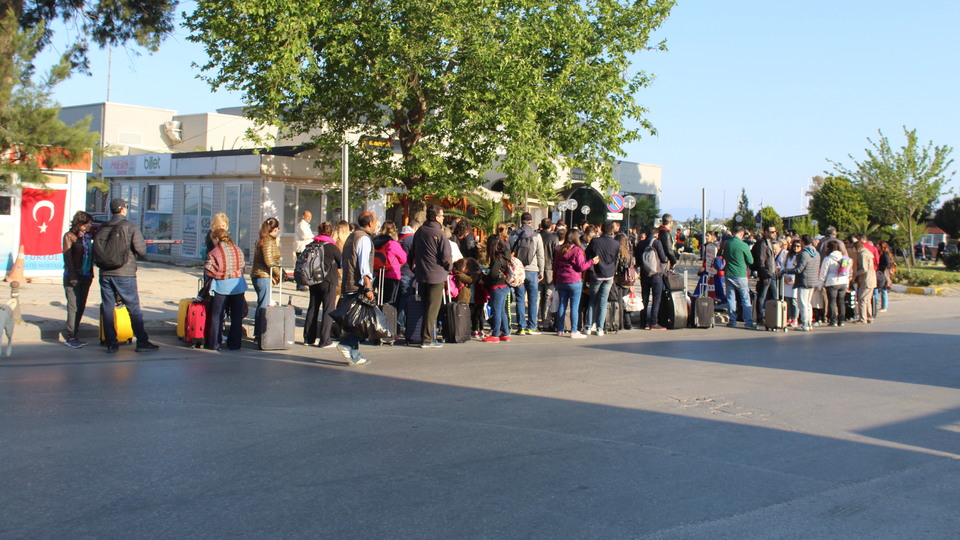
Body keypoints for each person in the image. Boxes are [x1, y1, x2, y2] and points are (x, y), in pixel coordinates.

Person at [97, 198, 158, 353]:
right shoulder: (130, 226)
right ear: (124, 209)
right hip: (124, 273)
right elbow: (141, 250)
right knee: (133, 308)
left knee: (107, 307)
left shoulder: (103, 227)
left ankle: (111, 342)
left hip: (105, 273)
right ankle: (142, 341)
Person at [337, 211, 380, 365]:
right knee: (363, 322)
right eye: (375, 221)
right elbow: (364, 266)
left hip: (348, 283)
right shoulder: (364, 239)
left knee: (356, 321)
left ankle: (354, 354)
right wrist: (368, 287)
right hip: (358, 285)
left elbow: (344, 262)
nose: (376, 223)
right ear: (369, 223)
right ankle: (348, 344)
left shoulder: (351, 236)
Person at [411, 205, 452, 348]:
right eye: (441, 216)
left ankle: (426, 336)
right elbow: (446, 257)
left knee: (425, 306)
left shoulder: (420, 231)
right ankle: (427, 339)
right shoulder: (440, 234)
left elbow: (412, 251)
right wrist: (449, 268)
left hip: (421, 273)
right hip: (436, 274)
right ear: (436, 217)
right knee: (432, 309)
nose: (443, 218)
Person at [204, 228, 248, 351]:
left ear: (217, 238)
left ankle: (215, 343)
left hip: (221, 287)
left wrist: (220, 275)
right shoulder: (237, 249)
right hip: (238, 287)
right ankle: (234, 344)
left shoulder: (214, 252)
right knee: (236, 317)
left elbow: (208, 269)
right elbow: (243, 267)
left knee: (217, 316)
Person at [553, 229, 598, 338]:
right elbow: (581, 267)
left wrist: (555, 280)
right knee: (574, 306)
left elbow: (555, 267)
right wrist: (592, 262)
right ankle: (574, 331)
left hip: (560, 280)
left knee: (562, 304)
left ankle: (560, 329)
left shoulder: (559, 249)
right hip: (574, 280)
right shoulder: (577, 250)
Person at [303, 222, 342, 348]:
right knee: (328, 309)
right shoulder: (331, 247)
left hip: (313, 280)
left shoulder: (311, 245)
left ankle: (309, 338)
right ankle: (324, 340)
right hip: (328, 281)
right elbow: (342, 263)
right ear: (331, 232)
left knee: (312, 308)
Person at [62, 211, 95, 348]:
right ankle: (70, 336)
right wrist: (73, 276)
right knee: (73, 306)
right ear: (79, 224)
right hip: (73, 276)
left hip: (86, 275)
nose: (89, 226)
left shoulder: (87, 237)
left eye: (89, 223)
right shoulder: (70, 236)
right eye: (87, 224)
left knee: (81, 306)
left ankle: (76, 333)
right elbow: (68, 258)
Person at [509, 212, 545, 335]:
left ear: (521, 222)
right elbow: (541, 255)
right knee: (532, 300)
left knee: (519, 299)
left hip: (519, 270)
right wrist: (542, 270)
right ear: (531, 222)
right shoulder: (536, 236)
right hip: (532, 271)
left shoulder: (513, 235)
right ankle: (532, 326)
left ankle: (521, 327)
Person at [584, 221, 619, 336]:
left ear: (601, 229)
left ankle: (588, 326)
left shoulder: (595, 241)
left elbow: (587, 253)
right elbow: (615, 259)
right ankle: (600, 328)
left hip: (596, 273)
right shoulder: (615, 243)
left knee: (592, 300)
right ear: (612, 231)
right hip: (609, 274)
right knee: (603, 301)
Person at [251, 217, 281, 343]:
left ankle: (258, 332)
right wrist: (279, 274)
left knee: (261, 304)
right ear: (274, 229)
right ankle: (260, 333)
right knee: (264, 306)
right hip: (263, 276)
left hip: (259, 275)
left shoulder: (262, 239)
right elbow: (269, 261)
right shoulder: (268, 241)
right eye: (278, 229)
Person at [720, 226, 757, 329]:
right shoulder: (743, 245)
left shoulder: (726, 243)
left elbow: (720, 255)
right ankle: (748, 322)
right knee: (745, 298)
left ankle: (732, 320)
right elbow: (751, 261)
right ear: (741, 234)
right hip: (740, 274)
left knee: (731, 298)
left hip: (728, 273)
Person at [784, 234, 821, 331]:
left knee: (802, 303)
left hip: (804, 280)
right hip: (813, 280)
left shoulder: (804, 253)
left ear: (803, 242)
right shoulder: (816, 253)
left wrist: (787, 271)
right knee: (808, 303)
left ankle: (805, 324)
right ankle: (809, 323)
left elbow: (799, 269)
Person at [635, 226, 668, 330]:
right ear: (656, 234)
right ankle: (653, 323)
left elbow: (638, 261)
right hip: (656, 275)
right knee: (656, 299)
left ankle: (643, 322)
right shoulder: (657, 243)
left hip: (644, 275)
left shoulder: (640, 243)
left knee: (645, 298)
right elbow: (663, 258)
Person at [483, 230, 512, 342]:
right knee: (501, 311)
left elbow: (493, 274)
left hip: (498, 287)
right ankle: (505, 333)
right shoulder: (505, 255)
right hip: (504, 286)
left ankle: (495, 334)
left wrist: (485, 277)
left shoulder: (497, 259)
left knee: (496, 310)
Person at [372, 221, 407, 306]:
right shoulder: (392, 243)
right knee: (390, 302)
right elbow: (403, 259)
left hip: (378, 274)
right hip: (392, 275)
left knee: (379, 300)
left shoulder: (375, 242)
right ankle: (388, 318)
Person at [817, 239, 849, 327]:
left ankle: (833, 320)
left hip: (831, 282)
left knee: (832, 301)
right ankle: (841, 320)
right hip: (843, 281)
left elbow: (823, 272)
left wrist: (820, 283)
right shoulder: (843, 258)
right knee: (841, 301)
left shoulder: (828, 259)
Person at [752, 225, 778, 326]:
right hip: (766, 274)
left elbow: (771, 259)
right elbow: (761, 262)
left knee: (774, 297)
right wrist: (764, 276)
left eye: (774, 232)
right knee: (762, 296)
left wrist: (775, 270)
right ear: (766, 232)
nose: (774, 234)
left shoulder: (770, 243)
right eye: (771, 232)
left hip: (772, 274)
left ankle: (773, 316)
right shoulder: (762, 244)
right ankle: (760, 318)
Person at [538, 218, 559, 331]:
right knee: (547, 297)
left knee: (536, 297)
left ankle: (534, 321)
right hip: (550, 270)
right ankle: (546, 323)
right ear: (551, 226)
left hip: (537, 269)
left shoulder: (536, 236)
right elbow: (556, 255)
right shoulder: (553, 238)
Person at [852, 236, 877, 324]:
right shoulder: (867, 253)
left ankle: (862, 319)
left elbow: (863, 269)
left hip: (866, 279)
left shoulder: (862, 255)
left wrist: (854, 274)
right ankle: (869, 317)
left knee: (862, 299)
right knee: (867, 300)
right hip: (871, 279)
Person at [782, 240, 802, 327]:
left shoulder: (801, 256)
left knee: (794, 300)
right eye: (794, 246)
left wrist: (793, 278)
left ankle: (795, 318)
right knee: (787, 300)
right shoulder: (788, 255)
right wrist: (785, 276)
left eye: (798, 246)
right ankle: (789, 317)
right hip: (787, 278)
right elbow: (784, 266)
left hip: (795, 279)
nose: (796, 248)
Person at [876, 240, 894, 312]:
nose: (877, 247)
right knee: (881, 289)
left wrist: (879, 267)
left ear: (882, 246)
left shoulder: (885, 254)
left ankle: (884, 306)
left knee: (884, 289)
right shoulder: (881, 253)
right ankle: (882, 306)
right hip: (881, 272)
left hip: (883, 273)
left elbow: (887, 264)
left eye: (878, 245)